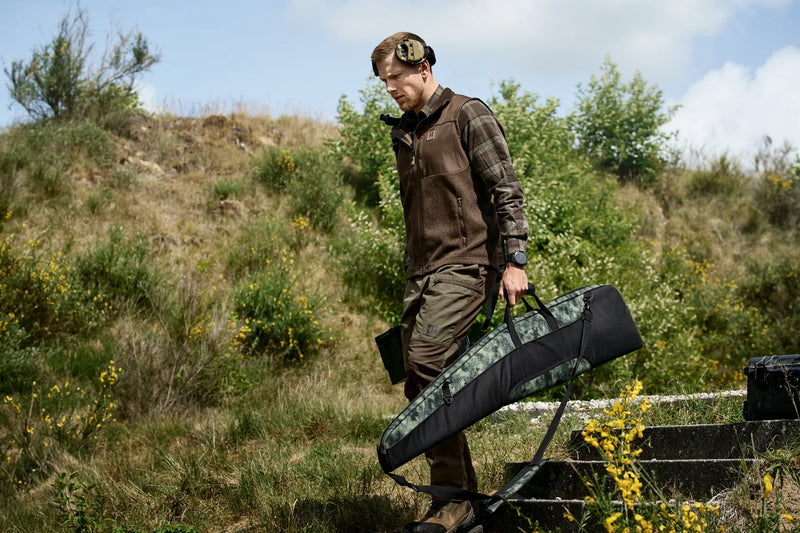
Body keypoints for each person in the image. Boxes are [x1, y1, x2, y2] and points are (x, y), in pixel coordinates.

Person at [371, 32, 531, 533]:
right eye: (383, 82)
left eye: (396, 78)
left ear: (423, 67)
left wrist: (515, 260)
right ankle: (461, 503)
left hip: (466, 265)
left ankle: (452, 501)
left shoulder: (467, 114)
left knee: (426, 361)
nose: (390, 88)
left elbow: (505, 188)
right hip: (420, 273)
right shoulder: (404, 133)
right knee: (420, 380)